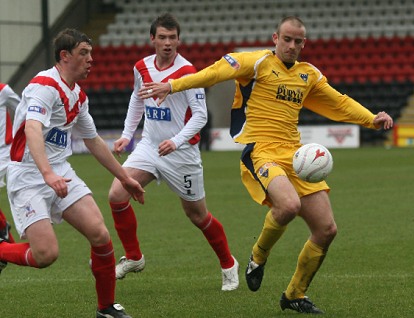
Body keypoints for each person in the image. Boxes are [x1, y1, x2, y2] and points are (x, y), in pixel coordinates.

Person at [140, 16, 393, 314]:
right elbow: (212, 74)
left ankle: (294, 295)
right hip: (261, 151)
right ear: (275, 38)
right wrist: (171, 86)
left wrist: (370, 119)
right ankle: (258, 256)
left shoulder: (308, 74)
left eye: (298, 42)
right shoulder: (255, 63)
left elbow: (339, 101)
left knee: (326, 229)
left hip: (296, 154)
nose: (292, 46)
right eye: (286, 39)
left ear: (304, 44)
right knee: (287, 206)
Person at [0, 29, 145, 318]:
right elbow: (32, 129)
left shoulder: (78, 95)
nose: (91, 59)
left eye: (91, 53)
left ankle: (106, 308)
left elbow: (92, 141)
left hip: (60, 171)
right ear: (64, 56)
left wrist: (125, 177)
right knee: (45, 255)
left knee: (100, 235)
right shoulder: (44, 86)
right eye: (84, 53)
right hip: (29, 176)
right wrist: (46, 174)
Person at [108, 13, 239, 291]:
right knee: (117, 194)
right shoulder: (141, 67)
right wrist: (127, 135)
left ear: (179, 40)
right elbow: (137, 98)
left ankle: (228, 263)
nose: (168, 43)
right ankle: (134, 257)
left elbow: (201, 116)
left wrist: (176, 141)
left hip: (182, 154)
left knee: (197, 215)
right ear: (152, 39)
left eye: (172, 37)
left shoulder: (188, 72)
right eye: (162, 37)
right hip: (150, 146)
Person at [0, 83, 20, 273]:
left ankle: (6, 244)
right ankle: (3, 229)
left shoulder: (3, 90)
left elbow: (21, 109)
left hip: (3, 152)